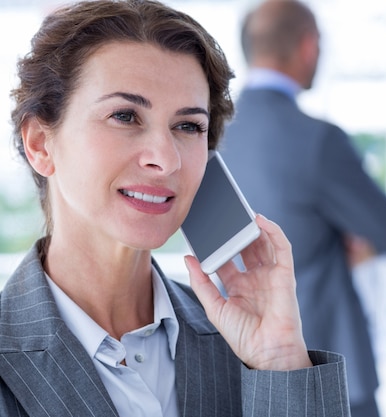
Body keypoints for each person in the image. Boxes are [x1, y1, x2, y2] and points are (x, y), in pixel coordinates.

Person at [0, 1, 351, 416]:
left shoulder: (241, 344)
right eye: (125, 116)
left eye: (188, 126)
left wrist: (279, 362)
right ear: (41, 143)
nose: (165, 160)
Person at [220, 1, 386, 415]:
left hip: (238, 361)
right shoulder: (317, 140)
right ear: (308, 46)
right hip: (325, 361)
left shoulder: (208, 136)